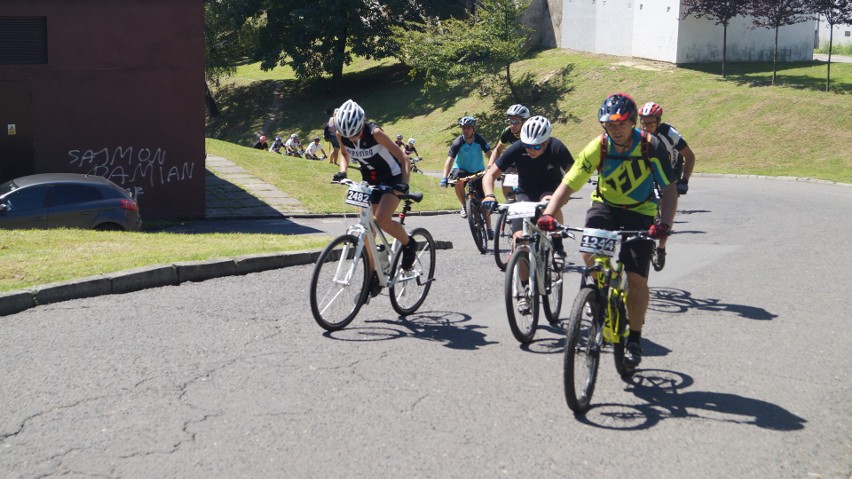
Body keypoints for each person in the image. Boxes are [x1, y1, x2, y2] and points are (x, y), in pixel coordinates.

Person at [537, 93, 678, 369]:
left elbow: (670, 190)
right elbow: (569, 182)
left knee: (636, 278)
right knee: (589, 253)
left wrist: (664, 227)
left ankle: (634, 338)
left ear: (633, 122)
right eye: (608, 124)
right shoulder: (598, 147)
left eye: (620, 124)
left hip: (641, 211)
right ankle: (600, 295)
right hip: (606, 207)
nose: (614, 129)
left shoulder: (651, 146)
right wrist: (549, 213)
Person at [331, 99, 417, 295]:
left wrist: (404, 183)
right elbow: (344, 155)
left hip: (392, 178)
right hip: (369, 180)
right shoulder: (341, 134)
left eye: (355, 134)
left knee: (382, 220)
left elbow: (403, 157)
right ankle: (374, 274)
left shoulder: (375, 133)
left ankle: (409, 244)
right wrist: (343, 172)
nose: (352, 139)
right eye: (348, 135)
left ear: (362, 124)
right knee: (366, 228)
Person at [483, 115, 573, 255]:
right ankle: (524, 275)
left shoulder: (556, 147)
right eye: (527, 146)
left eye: (536, 146)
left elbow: (573, 173)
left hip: (549, 188)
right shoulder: (518, 147)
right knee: (519, 242)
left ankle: (557, 241)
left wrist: (564, 193)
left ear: (546, 141)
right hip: (525, 192)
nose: (531, 150)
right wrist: (489, 195)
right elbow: (490, 175)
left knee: (548, 203)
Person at [639, 101, 696, 269]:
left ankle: (661, 248)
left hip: (671, 171)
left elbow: (690, 157)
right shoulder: (638, 134)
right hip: (650, 172)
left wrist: (684, 181)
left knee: (666, 209)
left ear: (659, 121)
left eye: (651, 122)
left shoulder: (670, 134)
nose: (647, 126)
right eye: (644, 122)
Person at [441, 116, 492, 231]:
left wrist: (491, 168)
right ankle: (465, 206)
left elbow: (490, 154)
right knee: (457, 181)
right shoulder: (458, 141)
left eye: (468, 127)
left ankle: (489, 228)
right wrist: (444, 177)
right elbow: (449, 160)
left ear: (473, 128)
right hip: (461, 169)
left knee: (482, 201)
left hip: (478, 170)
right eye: (463, 127)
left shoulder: (479, 139)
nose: (466, 130)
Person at [487, 104, 531, 202]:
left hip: (531, 159)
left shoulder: (531, 132)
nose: (512, 125)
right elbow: (498, 150)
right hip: (516, 160)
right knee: (506, 179)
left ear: (525, 121)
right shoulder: (508, 132)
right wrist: (490, 165)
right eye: (510, 121)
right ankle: (511, 202)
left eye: (515, 121)